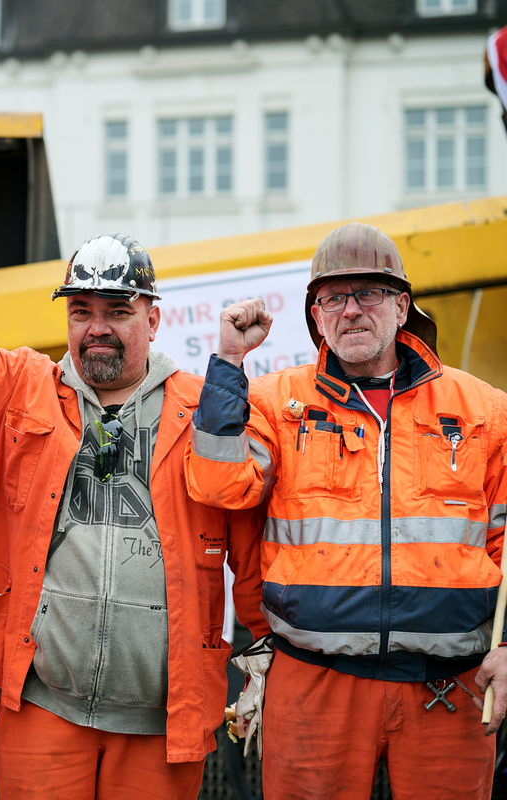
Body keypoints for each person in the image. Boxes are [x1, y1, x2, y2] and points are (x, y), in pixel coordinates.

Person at [0, 180, 263, 799]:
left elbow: (251, 540)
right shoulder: (23, 385)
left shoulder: (201, 409)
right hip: (42, 705)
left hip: (159, 718)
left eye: (117, 310)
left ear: (153, 319)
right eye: (82, 311)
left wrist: (263, 651)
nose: (96, 327)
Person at [185, 222, 507, 799]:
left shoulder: (484, 409)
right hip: (314, 683)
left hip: (450, 686)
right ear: (316, 316)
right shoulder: (275, 403)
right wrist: (229, 359)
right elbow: (217, 485)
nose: (351, 310)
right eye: (334, 298)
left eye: (370, 294)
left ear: (402, 306)